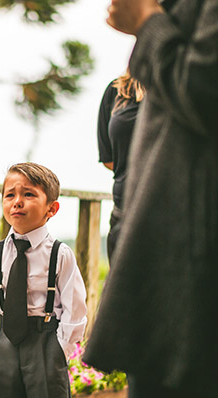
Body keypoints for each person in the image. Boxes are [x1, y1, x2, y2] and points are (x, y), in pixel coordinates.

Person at [83, 0, 218, 396]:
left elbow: (206, 88)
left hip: (195, 258)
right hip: (147, 227)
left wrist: (147, 21)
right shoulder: (114, 91)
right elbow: (110, 157)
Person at [0, 162, 87, 398]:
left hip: (45, 345)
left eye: (28, 194)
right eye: (10, 195)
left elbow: (74, 310)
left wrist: (59, 351)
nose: (17, 201)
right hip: (3, 345)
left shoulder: (60, 254)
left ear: (51, 208)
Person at [96, 71, 144, 262]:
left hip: (175, 216)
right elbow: (109, 158)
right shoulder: (117, 90)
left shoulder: (183, 84)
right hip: (123, 212)